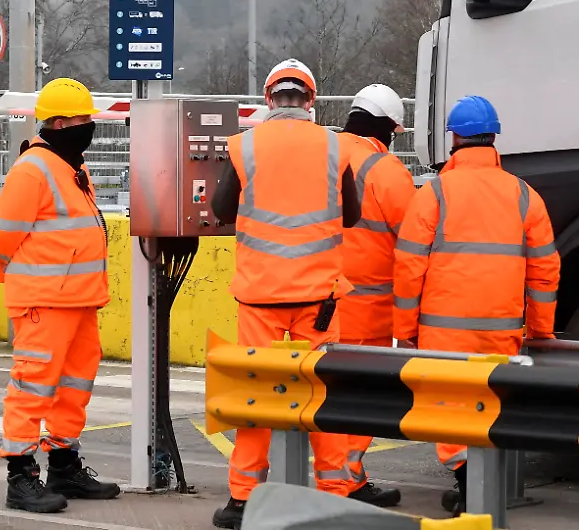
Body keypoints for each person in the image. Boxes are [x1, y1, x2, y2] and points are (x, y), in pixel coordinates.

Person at [209, 59, 361, 530]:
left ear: (270, 98)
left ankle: (243, 499)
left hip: (260, 298)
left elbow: (218, 209)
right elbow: (352, 216)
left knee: (255, 399)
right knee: (320, 395)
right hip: (319, 301)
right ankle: (336, 493)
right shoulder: (335, 147)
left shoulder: (244, 146)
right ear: (310, 100)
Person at [393, 95, 560, 517]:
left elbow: (409, 267)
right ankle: (482, 485)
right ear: (494, 138)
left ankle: (469, 485)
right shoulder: (525, 196)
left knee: (449, 411)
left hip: (442, 331)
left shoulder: (433, 194)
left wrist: (405, 328)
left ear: (454, 138)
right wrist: (540, 331)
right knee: (491, 405)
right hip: (501, 330)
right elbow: (544, 274)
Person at [0, 78, 121, 514]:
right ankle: (21, 476)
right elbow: (4, 239)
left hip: (79, 298)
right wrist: (20, 281)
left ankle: (63, 463)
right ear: (60, 122)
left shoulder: (71, 167)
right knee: (32, 386)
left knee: (74, 385)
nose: (89, 126)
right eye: (82, 119)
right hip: (45, 299)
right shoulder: (34, 169)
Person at [335, 84, 417, 507]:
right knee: (360, 399)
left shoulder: (322, 152)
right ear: (387, 127)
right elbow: (417, 238)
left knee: (323, 395)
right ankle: (346, 480)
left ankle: (329, 477)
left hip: (316, 303)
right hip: (367, 311)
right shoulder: (386, 170)